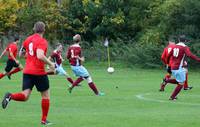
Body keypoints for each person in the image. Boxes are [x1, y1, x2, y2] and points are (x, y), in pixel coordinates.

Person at [1, 21, 55, 125]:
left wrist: (30, 56)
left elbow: (21, 54)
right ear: (44, 30)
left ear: (34, 29)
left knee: (25, 96)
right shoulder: (42, 41)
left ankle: (10, 96)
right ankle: (44, 120)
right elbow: (40, 55)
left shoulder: (28, 39)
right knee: (45, 96)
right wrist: (51, 63)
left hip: (27, 71)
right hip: (39, 72)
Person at [166, 35, 200, 100]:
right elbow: (189, 55)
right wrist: (198, 59)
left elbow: (168, 56)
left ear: (179, 40)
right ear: (185, 41)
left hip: (173, 67)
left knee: (180, 81)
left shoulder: (174, 46)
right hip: (178, 67)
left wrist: (168, 65)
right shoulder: (184, 47)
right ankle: (172, 97)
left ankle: (167, 80)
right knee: (181, 83)